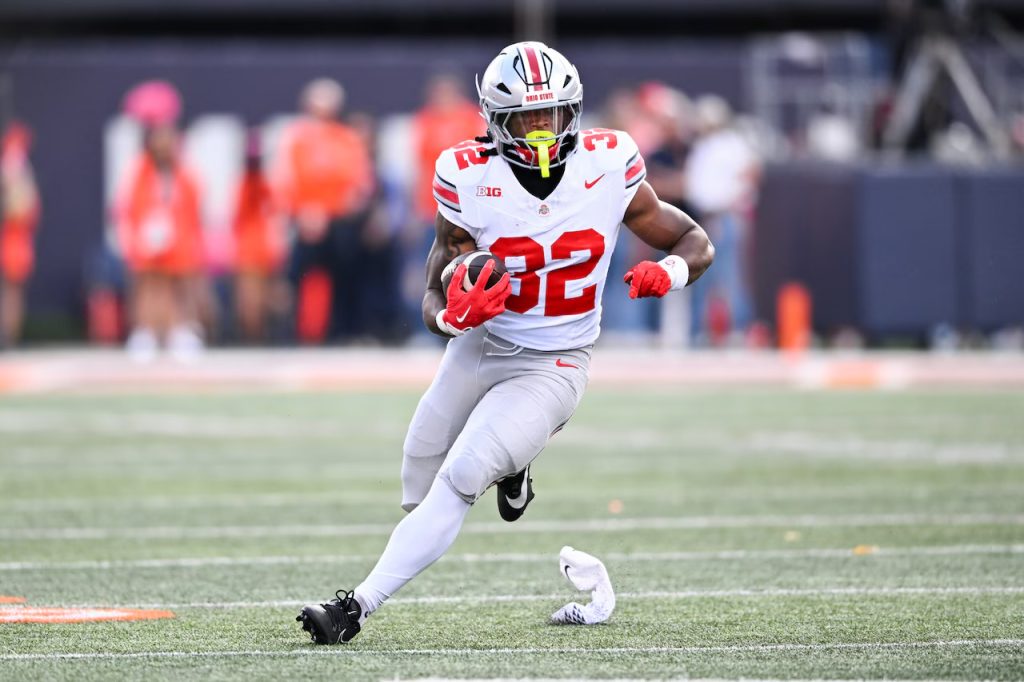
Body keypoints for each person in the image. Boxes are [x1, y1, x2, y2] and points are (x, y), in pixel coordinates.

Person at [296, 41, 714, 645]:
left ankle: (354, 608)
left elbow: (694, 239)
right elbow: (435, 287)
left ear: (573, 111)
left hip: (554, 361)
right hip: (482, 343)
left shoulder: (608, 162)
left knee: (463, 474)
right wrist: (450, 316)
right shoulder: (468, 174)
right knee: (418, 478)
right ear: (496, 120)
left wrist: (669, 272)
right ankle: (515, 465)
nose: (542, 129)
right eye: (526, 117)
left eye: (551, 114)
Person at [272, 78, 374, 343]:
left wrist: (340, 208)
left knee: (344, 273)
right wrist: (303, 211)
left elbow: (360, 183)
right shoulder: (297, 138)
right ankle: (297, 332)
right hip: (305, 219)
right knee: (297, 275)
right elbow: (285, 180)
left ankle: (341, 330)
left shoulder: (346, 138)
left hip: (339, 221)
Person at [115, 82, 206, 362]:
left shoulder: (183, 171)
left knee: (179, 285)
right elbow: (129, 205)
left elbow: (194, 203)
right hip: (147, 238)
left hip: (179, 238)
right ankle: (145, 332)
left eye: (169, 138)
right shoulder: (140, 169)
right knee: (148, 285)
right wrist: (136, 235)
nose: (164, 144)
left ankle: (181, 331)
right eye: (159, 138)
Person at [232, 129, 286, 343]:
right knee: (251, 297)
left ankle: (260, 335)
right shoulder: (248, 185)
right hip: (252, 246)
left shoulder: (259, 184)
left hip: (261, 246)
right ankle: (252, 336)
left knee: (262, 296)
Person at [0, 122, 41, 348]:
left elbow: (22, 209)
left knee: (12, 290)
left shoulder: (16, 168)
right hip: (12, 240)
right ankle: (7, 334)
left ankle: (8, 335)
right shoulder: (14, 167)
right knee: (11, 291)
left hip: (15, 240)